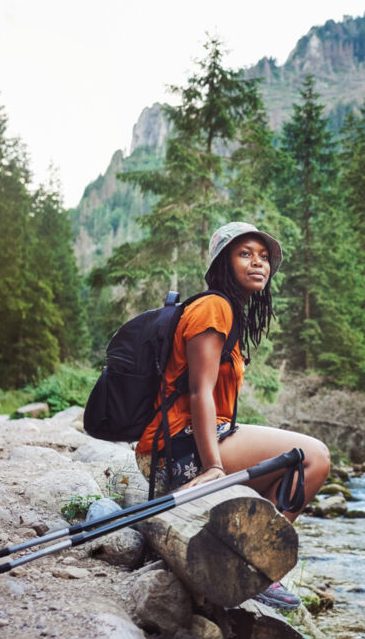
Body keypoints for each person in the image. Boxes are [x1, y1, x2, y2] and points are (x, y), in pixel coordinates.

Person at [134, 220, 331, 610]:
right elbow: (199, 392)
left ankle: (242, 561)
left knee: (298, 459)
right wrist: (213, 467)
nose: (258, 263)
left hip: (182, 446)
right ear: (223, 263)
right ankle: (258, 565)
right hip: (180, 452)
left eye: (263, 257)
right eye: (245, 254)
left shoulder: (228, 311)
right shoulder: (214, 306)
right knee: (315, 458)